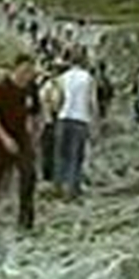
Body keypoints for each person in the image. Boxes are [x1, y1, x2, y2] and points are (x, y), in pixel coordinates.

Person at [0, 54, 37, 233]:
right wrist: (5, 138)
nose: (27, 75)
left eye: (30, 72)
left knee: (29, 175)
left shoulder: (29, 88)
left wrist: (31, 132)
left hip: (21, 137)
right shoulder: (1, 87)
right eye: (24, 70)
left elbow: (31, 112)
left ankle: (26, 220)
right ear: (16, 68)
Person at [54, 51, 99, 200]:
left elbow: (58, 99)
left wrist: (58, 112)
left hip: (64, 117)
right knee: (76, 156)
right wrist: (95, 123)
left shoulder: (62, 78)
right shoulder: (88, 78)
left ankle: (59, 185)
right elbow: (92, 102)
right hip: (81, 119)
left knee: (61, 154)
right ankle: (72, 189)